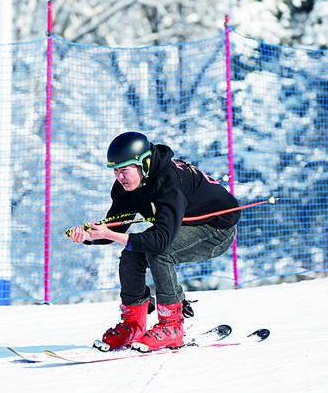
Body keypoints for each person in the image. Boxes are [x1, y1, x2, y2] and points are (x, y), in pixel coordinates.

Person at [68, 131, 240, 352]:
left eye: (125, 170)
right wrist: (91, 235)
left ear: (144, 164)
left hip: (217, 230)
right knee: (132, 254)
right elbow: (117, 226)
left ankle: (172, 326)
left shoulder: (168, 181)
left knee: (159, 252)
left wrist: (110, 234)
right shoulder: (125, 187)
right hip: (181, 226)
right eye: (116, 171)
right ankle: (133, 325)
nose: (119, 177)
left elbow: (160, 242)